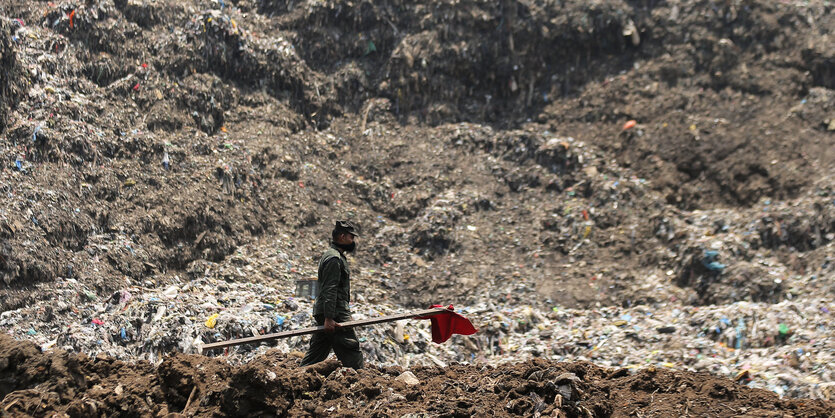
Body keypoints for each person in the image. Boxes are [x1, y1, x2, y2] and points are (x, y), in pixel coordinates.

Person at [300, 220, 364, 369]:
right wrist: (329, 317)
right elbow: (331, 288)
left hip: (329, 311)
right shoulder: (334, 259)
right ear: (342, 236)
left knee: (317, 353)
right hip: (334, 313)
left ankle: (298, 379)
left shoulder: (335, 256)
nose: (352, 241)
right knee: (351, 349)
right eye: (350, 237)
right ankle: (361, 382)